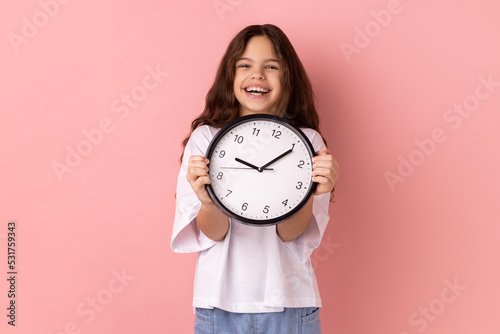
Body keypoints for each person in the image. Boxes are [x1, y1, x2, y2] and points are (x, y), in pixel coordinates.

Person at [171, 24, 339, 334]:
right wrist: (209, 201)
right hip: (219, 305)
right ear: (230, 77)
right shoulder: (205, 140)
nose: (257, 75)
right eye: (245, 65)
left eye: (271, 66)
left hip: (289, 304)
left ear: (288, 78)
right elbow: (213, 232)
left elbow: (291, 233)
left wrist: (313, 191)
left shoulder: (309, 143)